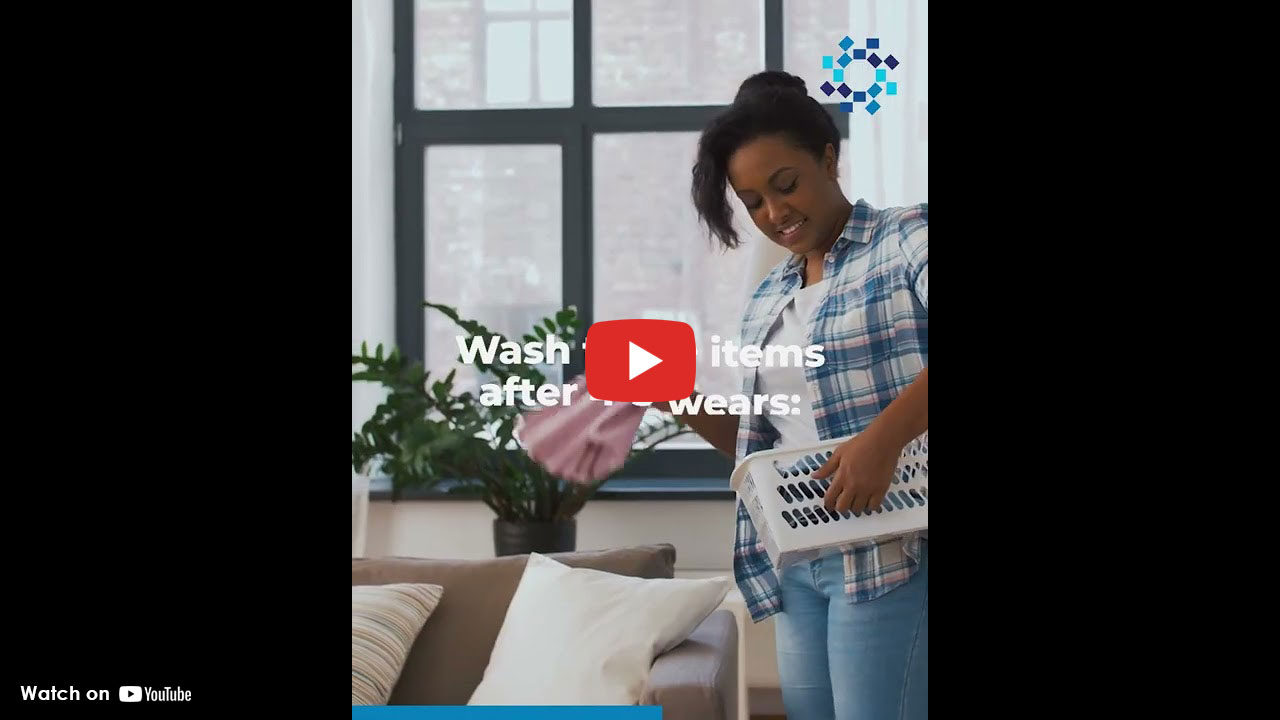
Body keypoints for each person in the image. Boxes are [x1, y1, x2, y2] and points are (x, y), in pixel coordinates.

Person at [659, 70, 928, 720]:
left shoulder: (906, 238)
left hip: (891, 551)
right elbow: (761, 440)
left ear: (828, 158)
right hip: (796, 559)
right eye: (752, 201)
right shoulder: (765, 299)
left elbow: (877, 439)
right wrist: (672, 396)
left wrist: (882, 439)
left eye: (786, 186)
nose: (774, 214)